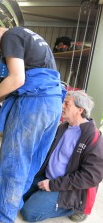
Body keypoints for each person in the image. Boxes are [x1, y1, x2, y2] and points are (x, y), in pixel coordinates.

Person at [0, 20, 66, 223]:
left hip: (34, 103)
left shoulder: (10, 36)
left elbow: (17, 79)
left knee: (14, 160)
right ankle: (10, 204)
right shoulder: (27, 35)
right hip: (51, 103)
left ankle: (3, 216)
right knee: (30, 160)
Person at [20, 90, 103, 222]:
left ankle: (74, 208)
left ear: (79, 110)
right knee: (15, 194)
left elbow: (91, 176)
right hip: (46, 177)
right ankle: (42, 196)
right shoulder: (63, 127)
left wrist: (53, 185)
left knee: (29, 212)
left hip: (66, 187)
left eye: (67, 103)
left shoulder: (93, 137)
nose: (62, 106)